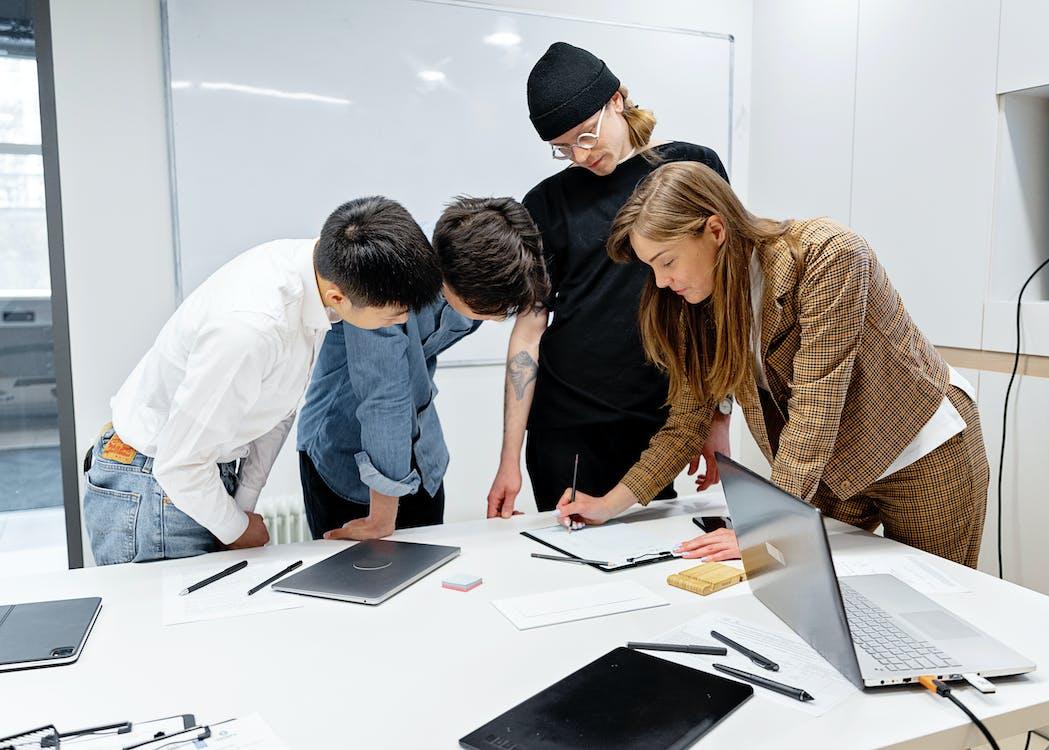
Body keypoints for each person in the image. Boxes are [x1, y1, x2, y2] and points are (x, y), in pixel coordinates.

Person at [557, 161, 989, 568]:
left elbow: (814, 409)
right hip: (832, 473)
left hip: (921, 452)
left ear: (715, 230)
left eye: (667, 261)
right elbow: (687, 423)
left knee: (933, 607)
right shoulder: (695, 301)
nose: (662, 282)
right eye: (651, 268)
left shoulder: (826, 256)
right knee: (815, 596)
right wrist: (607, 505)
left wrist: (764, 529)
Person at [82, 196, 442, 565]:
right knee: (175, 622)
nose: (400, 324)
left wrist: (244, 503)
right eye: (393, 316)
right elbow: (179, 464)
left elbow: (278, 407)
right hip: (156, 484)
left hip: (197, 476)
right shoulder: (250, 327)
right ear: (340, 296)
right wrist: (237, 528)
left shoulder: (315, 280)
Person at [487, 41, 731, 519]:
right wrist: (507, 458)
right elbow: (529, 330)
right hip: (566, 425)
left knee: (655, 564)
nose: (579, 155)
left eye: (586, 135)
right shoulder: (545, 202)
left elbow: (718, 301)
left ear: (617, 99)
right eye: (561, 148)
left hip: (662, 418)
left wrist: (716, 416)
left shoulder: (689, 169)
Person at [297, 197, 549, 540]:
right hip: (344, 454)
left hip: (422, 455)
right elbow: (384, 399)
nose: (496, 319)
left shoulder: (476, 253)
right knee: (361, 584)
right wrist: (381, 519)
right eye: (493, 311)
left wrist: (509, 463)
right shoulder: (384, 278)